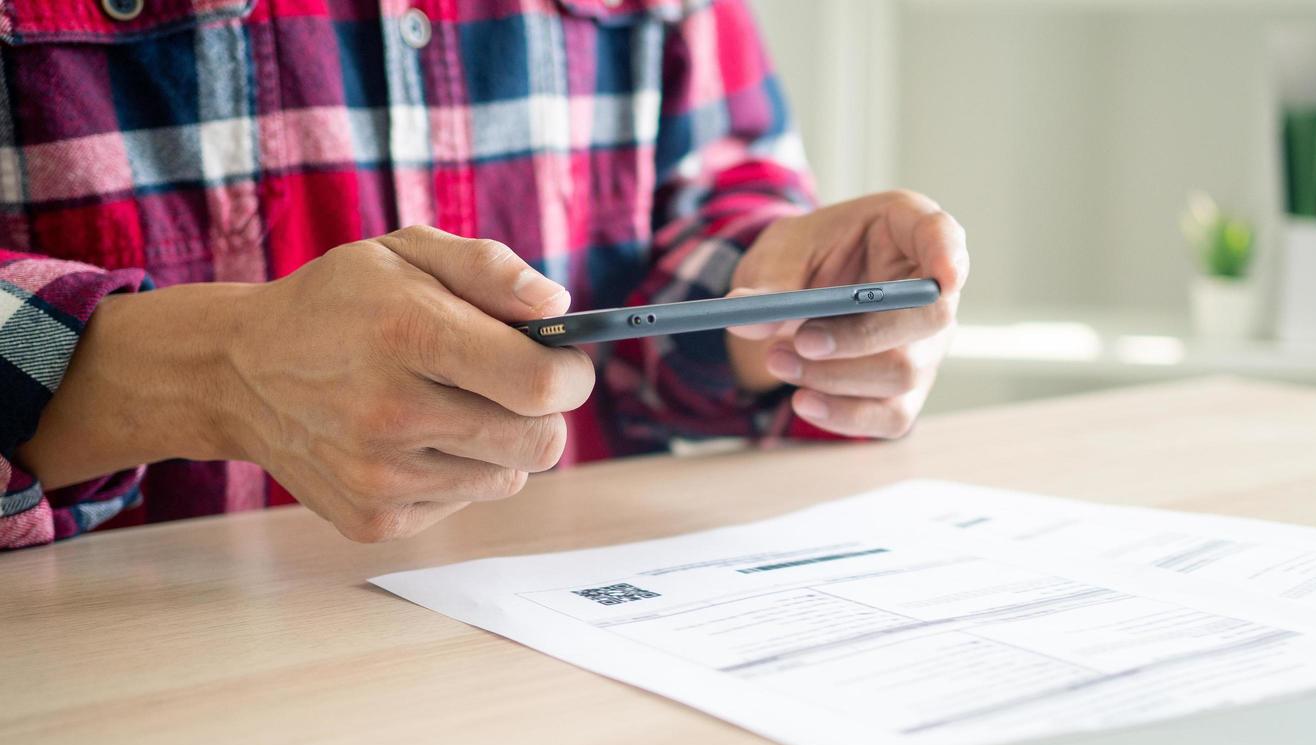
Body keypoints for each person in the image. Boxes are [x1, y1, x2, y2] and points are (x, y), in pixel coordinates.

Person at [0, 0, 968, 550]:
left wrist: (776, 317)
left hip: (561, 653)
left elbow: (703, 201)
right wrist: (215, 370)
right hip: (125, 678)